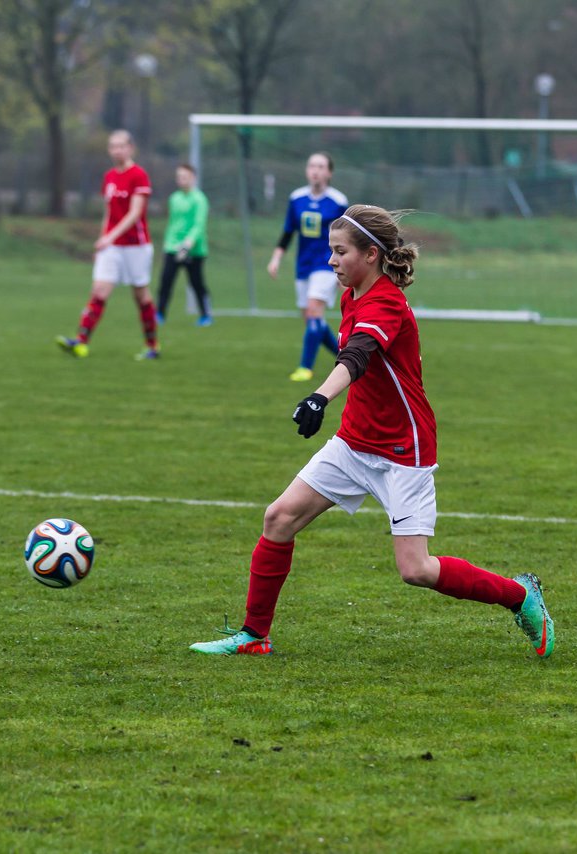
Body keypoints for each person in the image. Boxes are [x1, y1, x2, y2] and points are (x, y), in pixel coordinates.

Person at [190, 204, 555, 659]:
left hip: (403, 449)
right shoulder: (352, 296)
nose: (331, 261)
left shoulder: (386, 303)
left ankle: (521, 596)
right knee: (279, 518)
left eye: (340, 252)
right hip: (354, 441)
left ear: (370, 255)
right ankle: (254, 636)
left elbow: (358, 355)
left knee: (416, 569)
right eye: (330, 251)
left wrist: (319, 396)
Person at [57, 129, 160, 360]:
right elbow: (109, 213)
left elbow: (135, 214)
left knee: (141, 295)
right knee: (99, 291)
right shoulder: (110, 177)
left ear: (131, 148)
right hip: (112, 246)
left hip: (136, 246)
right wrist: (103, 241)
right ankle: (80, 341)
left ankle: (152, 346)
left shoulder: (139, 175)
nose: (116, 150)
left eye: (121, 146)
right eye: (112, 146)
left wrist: (110, 237)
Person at [266, 152, 348, 382]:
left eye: (321, 166)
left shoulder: (338, 201)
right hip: (303, 265)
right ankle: (346, 358)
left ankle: (305, 367)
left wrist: (344, 268)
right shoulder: (297, 198)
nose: (316, 170)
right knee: (312, 320)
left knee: (314, 310)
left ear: (329, 172)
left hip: (326, 264)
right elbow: (288, 232)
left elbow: (347, 239)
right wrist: (276, 259)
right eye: (312, 165)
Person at [156, 163, 212, 327]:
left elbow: (199, 225)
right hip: (173, 248)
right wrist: (169, 244)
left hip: (194, 250)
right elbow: (173, 224)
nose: (181, 180)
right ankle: (159, 314)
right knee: (166, 282)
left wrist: (188, 243)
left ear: (193, 178)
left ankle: (206, 315)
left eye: (184, 177)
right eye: (179, 177)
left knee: (197, 284)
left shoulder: (200, 199)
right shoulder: (174, 198)